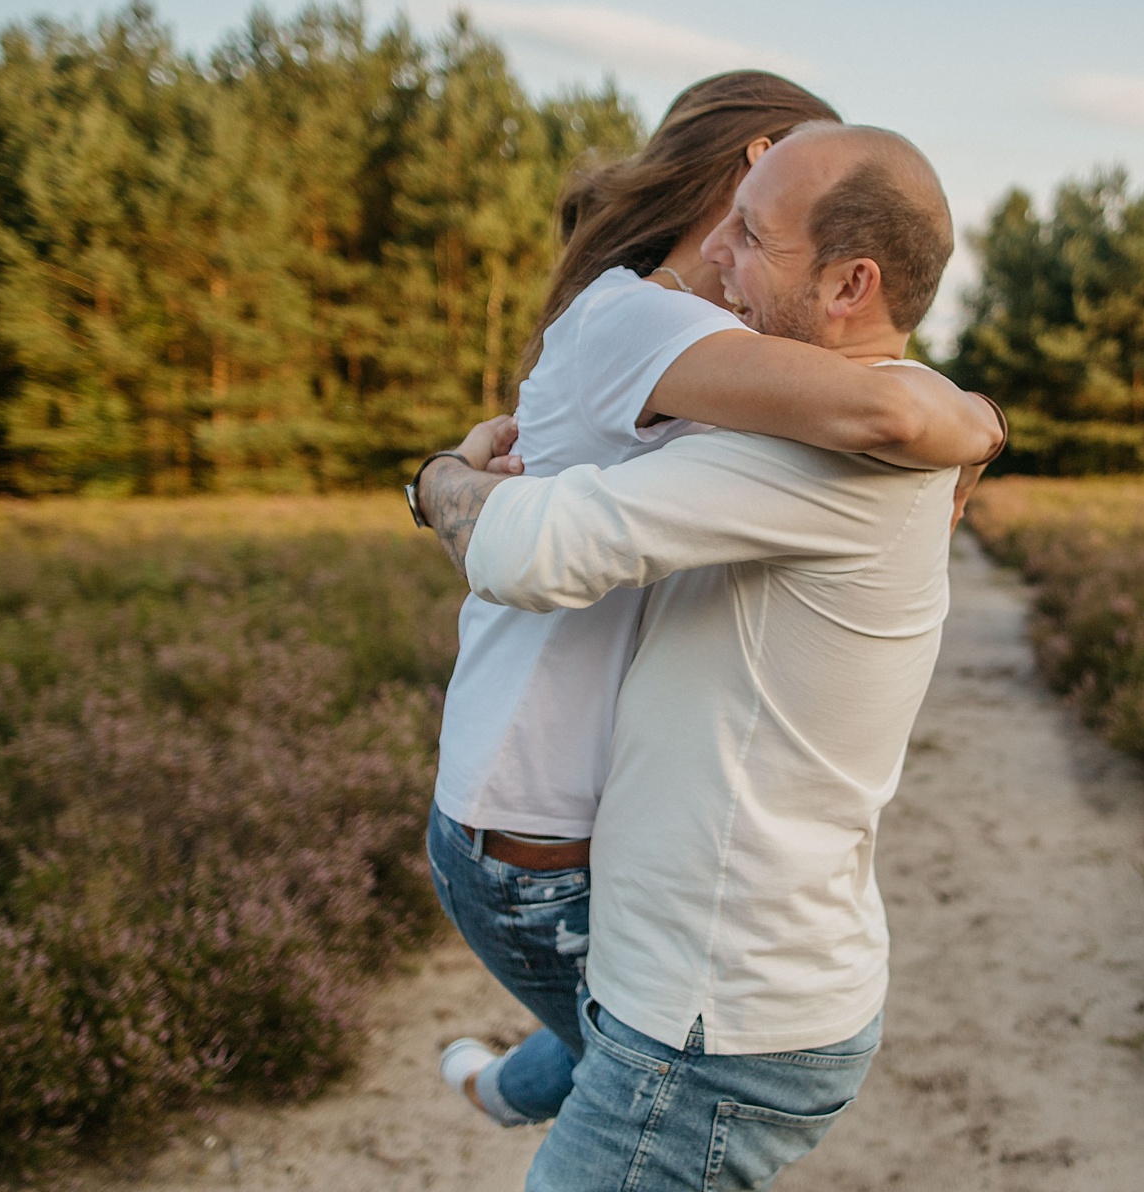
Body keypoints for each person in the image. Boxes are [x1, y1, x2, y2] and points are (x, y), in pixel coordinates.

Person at [417, 73, 1003, 1128]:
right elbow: (882, 404)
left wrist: (964, 408)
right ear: (758, 158)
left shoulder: (697, 332)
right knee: (632, 1045)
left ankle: (508, 1089)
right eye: (754, 209)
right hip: (530, 817)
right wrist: (429, 479)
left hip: (556, 808)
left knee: (622, 1038)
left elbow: (879, 387)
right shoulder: (646, 317)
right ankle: (521, 1089)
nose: (738, 253)